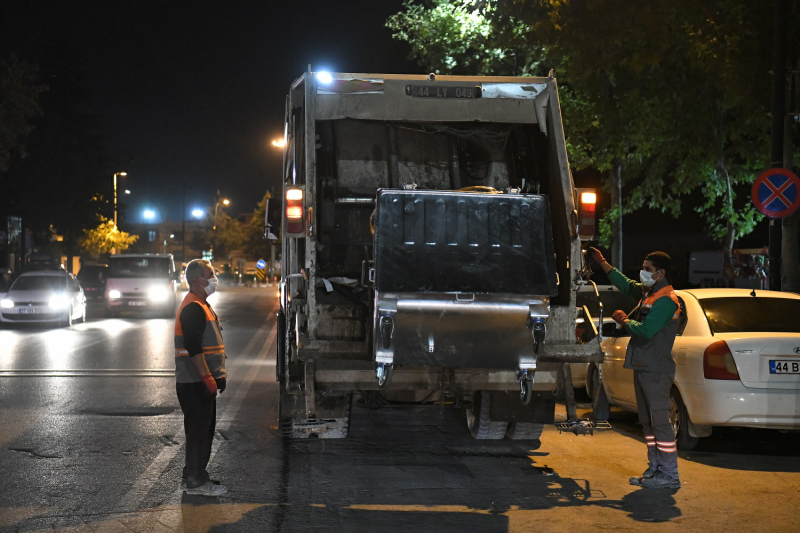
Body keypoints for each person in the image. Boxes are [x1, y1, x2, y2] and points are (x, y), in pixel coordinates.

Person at [589, 247, 682, 490]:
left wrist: (624, 320)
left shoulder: (666, 301)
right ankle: (655, 468)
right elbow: (627, 284)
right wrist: (603, 264)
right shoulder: (649, 294)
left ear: (660, 273)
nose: (642, 273)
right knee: (648, 422)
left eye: (647, 269)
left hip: (656, 370)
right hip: (644, 366)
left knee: (660, 423)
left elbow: (646, 330)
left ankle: (669, 473)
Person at [175, 259, 228, 496]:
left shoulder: (200, 304)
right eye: (211, 274)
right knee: (198, 433)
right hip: (194, 382)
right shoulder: (193, 307)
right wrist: (207, 377)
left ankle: (194, 475)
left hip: (198, 381)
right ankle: (196, 482)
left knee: (201, 431)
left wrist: (217, 377)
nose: (214, 278)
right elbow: (193, 347)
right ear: (199, 280)